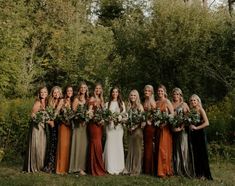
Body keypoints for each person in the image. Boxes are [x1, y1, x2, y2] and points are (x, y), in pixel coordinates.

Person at [23, 86, 48, 172]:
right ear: (39, 94)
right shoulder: (37, 102)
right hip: (37, 127)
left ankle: (40, 166)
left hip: (43, 127)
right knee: (36, 145)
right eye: (41, 92)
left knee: (42, 146)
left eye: (45, 92)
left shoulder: (46, 102)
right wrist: (39, 120)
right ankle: (34, 166)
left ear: (47, 93)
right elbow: (32, 115)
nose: (43, 94)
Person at [172, 88, 195, 178]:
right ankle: (177, 169)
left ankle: (185, 169)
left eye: (177, 94)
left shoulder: (184, 104)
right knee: (175, 149)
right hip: (173, 130)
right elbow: (169, 117)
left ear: (180, 95)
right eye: (174, 94)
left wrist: (181, 127)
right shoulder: (171, 104)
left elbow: (189, 117)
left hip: (182, 130)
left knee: (183, 148)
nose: (176, 96)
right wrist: (174, 128)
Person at [189, 94, 213, 180]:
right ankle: (198, 173)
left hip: (200, 134)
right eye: (191, 100)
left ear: (198, 101)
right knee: (195, 154)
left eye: (194, 100)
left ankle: (204, 174)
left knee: (202, 154)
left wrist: (196, 127)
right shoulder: (191, 111)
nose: (193, 102)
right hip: (194, 135)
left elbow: (207, 123)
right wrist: (190, 125)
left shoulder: (201, 110)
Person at [103, 87, 126, 175]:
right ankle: (109, 166)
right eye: (113, 92)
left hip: (119, 128)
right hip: (110, 127)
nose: (115, 93)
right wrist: (109, 118)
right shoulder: (107, 104)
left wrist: (120, 118)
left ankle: (119, 166)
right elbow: (105, 116)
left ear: (118, 93)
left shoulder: (122, 103)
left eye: (116, 92)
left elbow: (124, 115)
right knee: (110, 144)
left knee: (118, 145)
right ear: (111, 93)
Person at [69, 82, 89, 175]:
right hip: (78, 125)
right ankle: (75, 167)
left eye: (85, 87)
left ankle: (82, 167)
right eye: (81, 87)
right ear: (79, 89)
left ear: (86, 89)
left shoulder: (88, 99)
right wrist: (79, 117)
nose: (83, 89)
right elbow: (73, 112)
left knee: (84, 146)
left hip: (85, 126)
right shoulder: (76, 99)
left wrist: (87, 117)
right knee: (77, 144)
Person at [87, 83, 106, 176]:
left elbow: (104, 113)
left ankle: (98, 166)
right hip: (94, 125)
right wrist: (96, 119)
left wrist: (102, 120)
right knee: (95, 143)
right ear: (94, 90)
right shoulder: (92, 99)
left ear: (101, 90)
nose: (98, 90)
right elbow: (89, 113)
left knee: (99, 144)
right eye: (96, 88)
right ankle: (93, 167)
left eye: (99, 88)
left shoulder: (102, 100)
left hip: (100, 125)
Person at [155, 84, 174, 177]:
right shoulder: (156, 102)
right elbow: (154, 115)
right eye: (158, 91)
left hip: (165, 129)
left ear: (164, 92)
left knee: (164, 149)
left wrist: (165, 122)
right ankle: (159, 169)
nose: (160, 92)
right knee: (158, 148)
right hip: (158, 128)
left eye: (161, 91)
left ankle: (165, 170)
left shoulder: (167, 101)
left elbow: (172, 114)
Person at [44, 86, 63, 173]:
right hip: (51, 124)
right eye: (54, 92)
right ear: (52, 93)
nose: (56, 94)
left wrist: (52, 119)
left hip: (58, 124)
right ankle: (49, 165)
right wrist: (49, 121)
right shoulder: (50, 101)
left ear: (60, 93)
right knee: (51, 143)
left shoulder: (61, 100)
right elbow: (47, 111)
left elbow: (57, 111)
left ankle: (54, 165)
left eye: (58, 92)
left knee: (56, 144)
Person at [56, 86, 73, 174]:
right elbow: (57, 112)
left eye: (71, 90)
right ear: (65, 92)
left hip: (70, 126)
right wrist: (63, 119)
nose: (69, 92)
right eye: (68, 91)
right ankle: (60, 168)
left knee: (68, 146)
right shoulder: (62, 100)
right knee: (63, 145)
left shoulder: (72, 101)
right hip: (63, 126)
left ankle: (66, 168)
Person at [125, 90, 144, 176]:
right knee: (131, 149)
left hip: (137, 131)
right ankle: (129, 168)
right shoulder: (128, 106)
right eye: (131, 95)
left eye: (134, 96)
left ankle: (136, 170)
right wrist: (128, 126)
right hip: (130, 131)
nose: (132, 97)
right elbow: (126, 118)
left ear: (137, 97)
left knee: (137, 150)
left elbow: (143, 119)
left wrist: (135, 126)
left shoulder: (140, 106)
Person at [142, 85, 156, 175]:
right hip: (145, 126)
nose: (146, 92)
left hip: (150, 126)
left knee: (149, 145)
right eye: (145, 90)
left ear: (151, 92)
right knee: (146, 145)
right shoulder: (145, 100)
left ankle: (149, 168)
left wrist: (149, 120)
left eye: (148, 90)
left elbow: (155, 114)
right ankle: (146, 167)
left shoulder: (152, 101)